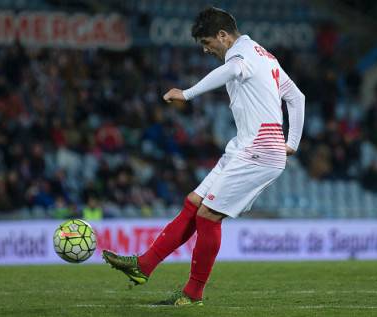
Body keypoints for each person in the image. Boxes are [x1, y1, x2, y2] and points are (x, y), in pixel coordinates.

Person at [102, 7, 305, 306]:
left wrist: (187, 93)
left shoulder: (241, 55)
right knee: (194, 203)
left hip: (259, 149)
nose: (207, 50)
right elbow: (296, 97)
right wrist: (293, 142)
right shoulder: (266, 56)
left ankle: (192, 294)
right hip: (247, 145)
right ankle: (142, 266)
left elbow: (233, 71)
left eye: (208, 43)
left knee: (208, 217)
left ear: (223, 36)